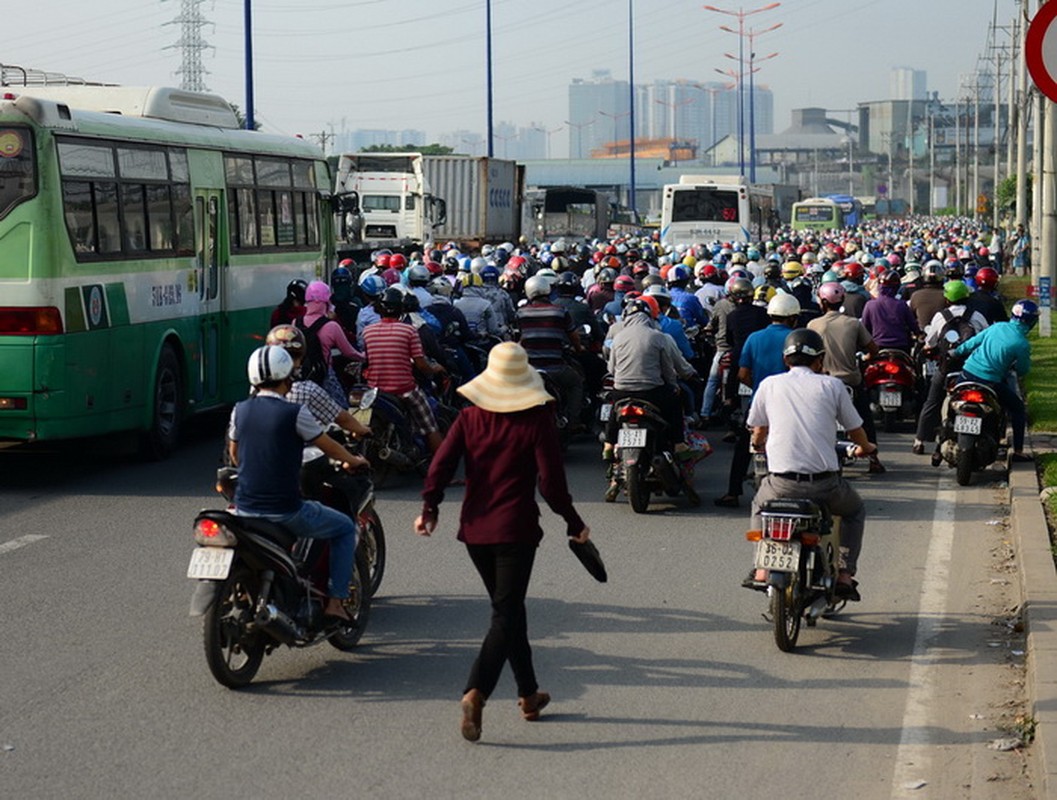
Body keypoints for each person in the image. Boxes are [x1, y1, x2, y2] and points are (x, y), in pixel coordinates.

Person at [414, 342, 590, 743]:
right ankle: (476, 692)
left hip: (476, 530)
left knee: (509, 610)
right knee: (505, 613)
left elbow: (441, 464)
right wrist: (573, 522)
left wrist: (430, 508)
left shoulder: (470, 417)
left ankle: (529, 695)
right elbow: (551, 484)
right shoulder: (538, 418)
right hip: (516, 530)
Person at [227, 345, 369, 621]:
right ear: (287, 377)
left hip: (242, 510)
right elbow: (329, 446)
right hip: (285, 509)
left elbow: (235, 454)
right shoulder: (294, 413)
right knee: (343, 527)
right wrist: (354, 460)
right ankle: (336, 602)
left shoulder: (239, 411)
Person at [747, 329, 877, 600]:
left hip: (781, 484)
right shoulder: (832, 386)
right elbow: (855, 429)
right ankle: (844, 573)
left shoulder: (769, 384)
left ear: (786, 360)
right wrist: (865, 448)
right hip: (825, 485)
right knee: (854, 511)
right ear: (820, 360)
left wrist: (760, 443)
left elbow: (758, 429)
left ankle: (761, 568)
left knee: (760, 504)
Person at [714, 292, 800, 508]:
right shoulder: (796, 338)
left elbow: (742, 374)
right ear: (792, 317)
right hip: (789, 405)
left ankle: (733, 493)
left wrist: (761, 389)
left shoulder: (754, 338)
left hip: (759, 405)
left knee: (744, 446)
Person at [807, 282, 885, 474]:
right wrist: (865, 358)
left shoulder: (813, 325)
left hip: (822, 381)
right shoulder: (853, 323)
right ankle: (873, 458)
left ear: (823, 302)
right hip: (850, 381)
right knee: (864, 420)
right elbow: (873, 349)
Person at [361, 286, 447, 454]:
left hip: (374, 391)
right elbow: (421, 365)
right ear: (401, 309)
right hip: (403, 389)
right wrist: (434, 369)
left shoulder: (367, 331)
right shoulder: (409, 330)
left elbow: (369, 359)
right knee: (429, 426)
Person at [950, 299, 1037, 462]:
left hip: (967, 374)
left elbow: (971, 344)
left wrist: (956, 352)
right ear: (1032, 321)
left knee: (951, 397)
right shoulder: (1022, 344)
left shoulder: (996, 327)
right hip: (991, 383)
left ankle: (944, 433)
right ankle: (1018, 451)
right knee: (1018, 409)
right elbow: (1023, 370)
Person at [913, 281, 989, 457]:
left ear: (947, 299)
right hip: (973, 370)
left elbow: (930, 341)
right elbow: (986, 338)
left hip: (947, 368)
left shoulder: (941, 317)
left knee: (932, 402)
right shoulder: (977, 316)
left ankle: (920, 441)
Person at [300, 280, 366, 405]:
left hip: (301, 378)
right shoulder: (331, 326)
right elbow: (349, 353)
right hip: (325, 378)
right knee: (343, 410)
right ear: (325, 302)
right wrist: (364, 357)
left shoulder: (295, 323)